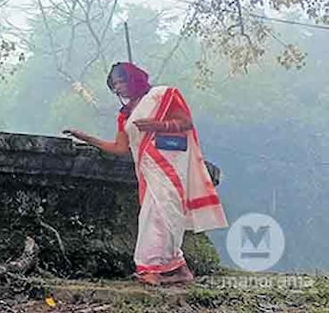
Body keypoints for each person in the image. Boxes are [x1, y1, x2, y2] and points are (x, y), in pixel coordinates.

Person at [63, 62, 227, 286]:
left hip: (172, 167)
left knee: (159, 215)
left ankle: (150, 269)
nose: (118, 88)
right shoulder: (125, 115)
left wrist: (156, 125)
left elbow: (185, 122)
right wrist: (86, 137)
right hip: (149, 172)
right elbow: (120, 148)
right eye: (114, 85)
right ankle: (180, 269)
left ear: (134, 79)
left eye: (120, 82)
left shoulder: (162, 95)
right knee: (159, 215)